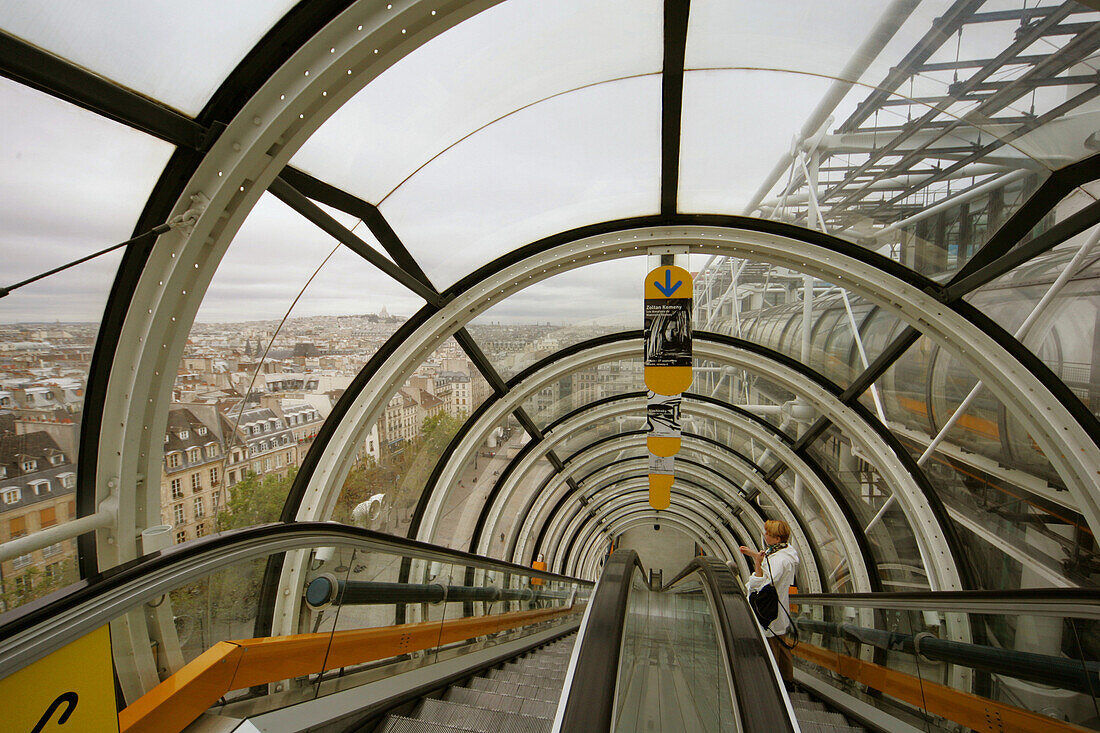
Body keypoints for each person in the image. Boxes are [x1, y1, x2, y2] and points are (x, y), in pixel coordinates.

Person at [739, 519, 800, 689]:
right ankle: (787, 680)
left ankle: (773, 684)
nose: (765, 536)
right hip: (779, 607)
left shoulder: (779, 561)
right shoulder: (785, 554)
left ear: (777, 539)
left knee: (772, 645)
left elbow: (763, 583)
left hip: (770, 609)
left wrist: (757, 564)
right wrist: (754, 555)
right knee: (782, 644)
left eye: (769, 534)